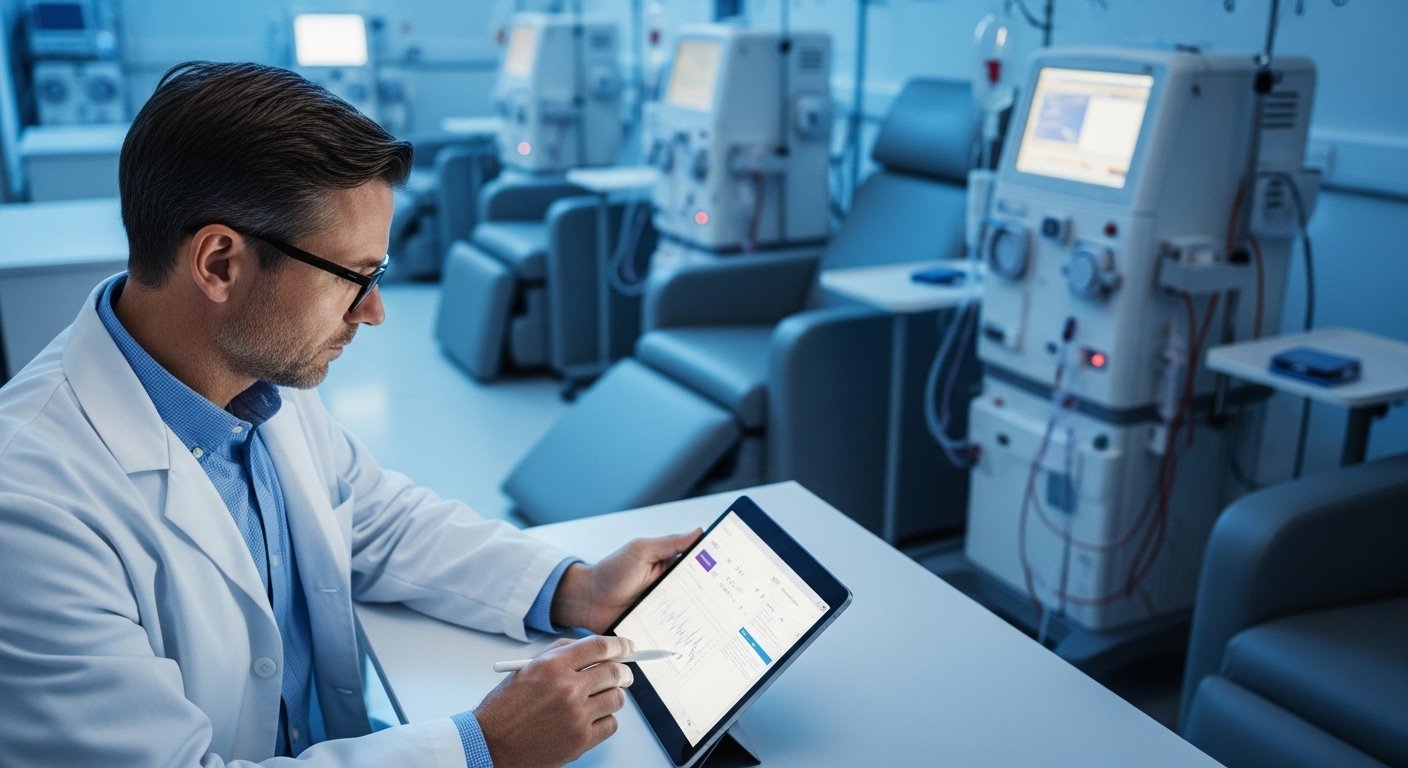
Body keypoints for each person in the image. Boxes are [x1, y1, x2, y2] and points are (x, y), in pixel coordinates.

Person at [0, 61, 698, 768]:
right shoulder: (30, 509)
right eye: (353, 277)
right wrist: (481, 749)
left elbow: (372, 518)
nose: (374, 311)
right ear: (219, 263)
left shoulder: (256, 379)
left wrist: (575, 590)